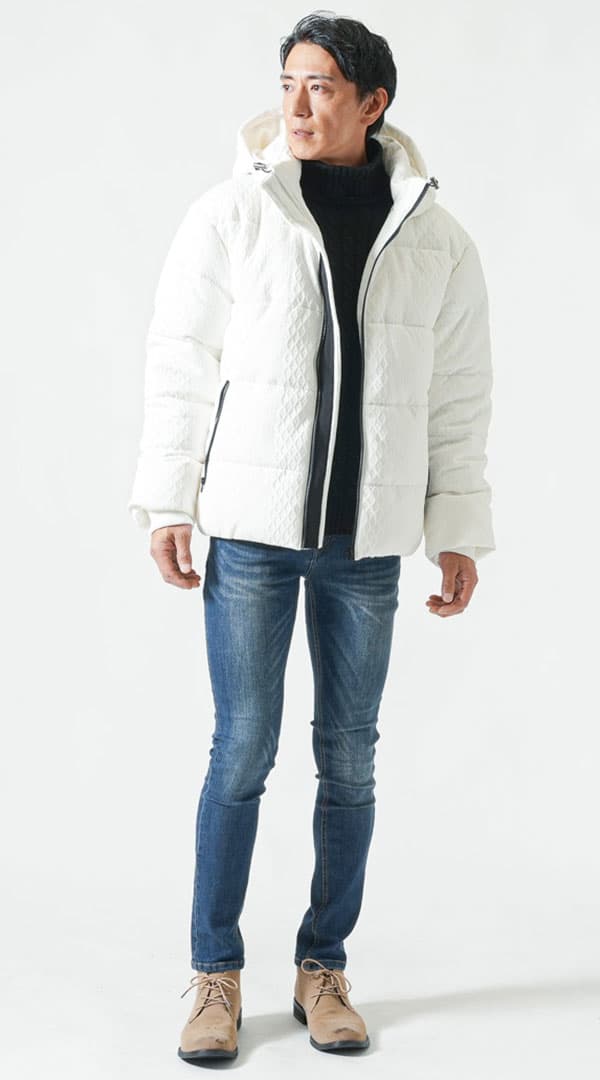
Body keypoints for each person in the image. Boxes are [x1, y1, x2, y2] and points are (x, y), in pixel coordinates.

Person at [128, 11, 496, 1062]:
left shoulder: (436, 238)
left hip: (366, 547)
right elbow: (181, 358)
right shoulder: (235, 213)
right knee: (241, 749)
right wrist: (168, 500)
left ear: (373, 103)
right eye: (289, 80)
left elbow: (458, 396)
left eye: (321, 85)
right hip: (250, 539)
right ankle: (215, 974)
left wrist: (456, 526)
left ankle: (322, 965)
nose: (296, 102)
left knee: (350, 760)